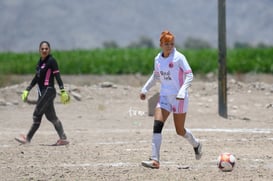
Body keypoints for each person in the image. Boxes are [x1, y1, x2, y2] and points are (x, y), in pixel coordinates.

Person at [140, 31, 202, 169]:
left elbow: (189, 75)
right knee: (157, 126)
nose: (169, 46)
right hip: (164, 97)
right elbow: (156, 76)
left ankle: (196, 144)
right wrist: (145, 89)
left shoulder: (179, 58)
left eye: (172, 44)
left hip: (179, 98)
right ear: (161, 44)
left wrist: (182, 91)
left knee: (180, 130)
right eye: (166, 44)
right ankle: (155, 160)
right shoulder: (158, 59)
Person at [15, 41, 70, 146]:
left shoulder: (52, 61)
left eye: (46, 48)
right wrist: (28, 89)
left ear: (49, 50)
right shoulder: (40, 62)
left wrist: (63, 91)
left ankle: (28, 138)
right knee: (51, 117)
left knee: (37, 114)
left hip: (48, 91)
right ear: (39, 50)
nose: (44, 50)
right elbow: (36, 78)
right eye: (42, 49)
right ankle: (63, 139)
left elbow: (58, 77)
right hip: (43, 92)